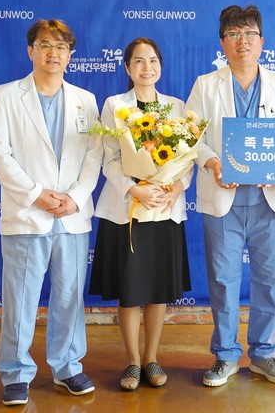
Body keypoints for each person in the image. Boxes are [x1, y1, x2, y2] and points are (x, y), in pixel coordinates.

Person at [0, 19, 102, 406]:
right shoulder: (6, 96)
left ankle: (67, 367)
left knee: (69, 297)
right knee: (20, 299)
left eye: (62, 47)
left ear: (70, 55)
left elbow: (94, 154)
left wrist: (76, 197)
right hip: (27, 214)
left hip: (71, 216)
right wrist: (35, 194)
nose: (54, 53)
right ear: (30, 51)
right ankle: (16, 373)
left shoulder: (85, 99)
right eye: (46, 45)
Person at [185, 4, 275, 387]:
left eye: (249, 34)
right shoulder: (205, 85)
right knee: (223, 279)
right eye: (234, 35)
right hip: (223, 199)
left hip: (268, 200)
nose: (242, 41)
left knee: (269, 279)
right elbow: (190, 137)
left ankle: (265, 353)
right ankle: (225, 355)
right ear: (223, 43)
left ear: (261, 41)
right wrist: (214, 163)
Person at [89, 37, 192, 391]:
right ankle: (132, 361)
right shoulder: (116, 106)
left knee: (158, 289)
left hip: (164, 208)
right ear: (128, 68)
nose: (147, 68)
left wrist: (175, 188)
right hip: (128, 210)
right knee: (130, 289)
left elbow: (188, 158)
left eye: (152, 61)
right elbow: (109, 159)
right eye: (139, 61)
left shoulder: (176, 107)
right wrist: (134, 189)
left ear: (160, 66)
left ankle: (151, 358)